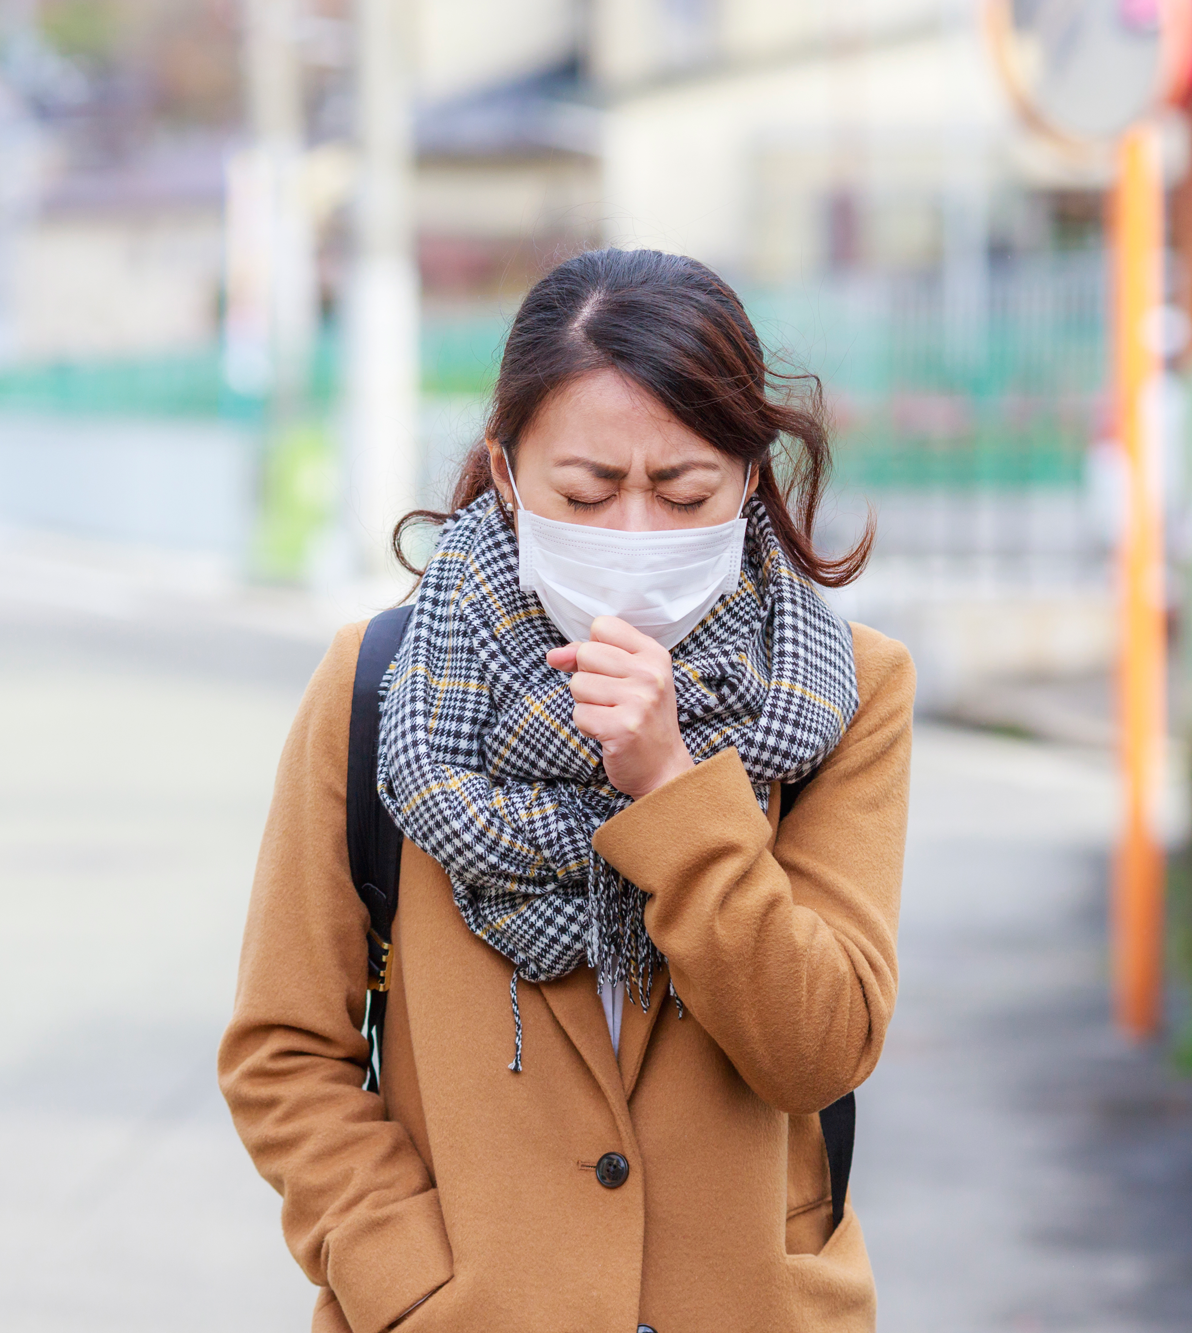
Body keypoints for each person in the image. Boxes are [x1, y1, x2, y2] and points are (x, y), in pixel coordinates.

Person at [220, 248, 913, 1333]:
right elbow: (282, 1047)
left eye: (681, 491)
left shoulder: (843, 697)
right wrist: (407, 1281)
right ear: (503, 473)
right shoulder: (379, 684)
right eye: (584, 493)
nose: (632, 536)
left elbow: (815, 1048)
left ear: (746, 475)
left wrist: (672, 788)